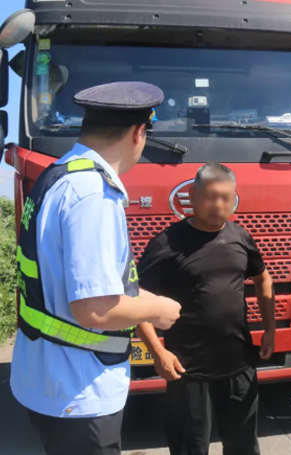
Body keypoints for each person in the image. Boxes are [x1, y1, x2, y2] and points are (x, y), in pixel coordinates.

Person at [11, 81, 182, 455]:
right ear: (139, 133)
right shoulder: (94, 193)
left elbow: (81, 280)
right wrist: (158, 309)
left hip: (48, 376)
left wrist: (142, 296)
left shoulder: (59, 174)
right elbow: (95, 309)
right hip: (79, 386)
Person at [136, 163, 276, 455]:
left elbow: (263, 278)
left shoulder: (240, 237)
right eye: (211, 197)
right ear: (192, 195)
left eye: (226, 198)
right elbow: (137, 300)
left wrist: (270, 330)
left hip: (239, 365)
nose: (219, 205)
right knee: (191, 448)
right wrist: (158, 352)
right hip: (187, 371)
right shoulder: (166, 244)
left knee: (244, 447)